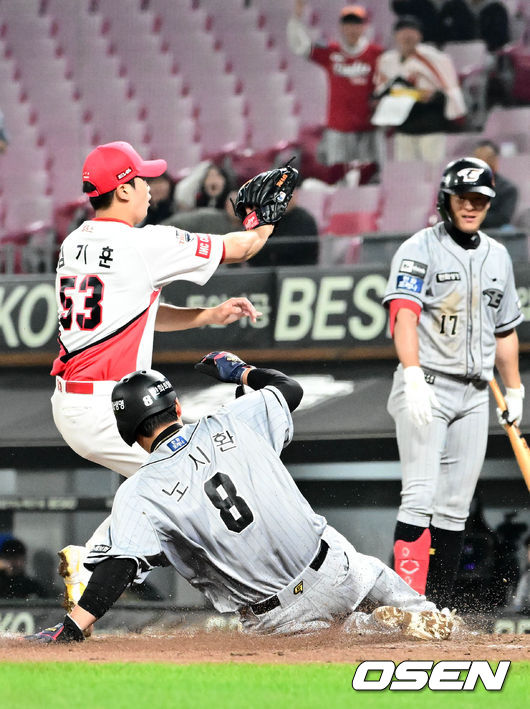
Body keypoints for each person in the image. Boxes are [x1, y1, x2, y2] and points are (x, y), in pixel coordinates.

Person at [26, 356, 459, 643]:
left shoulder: (139, 490)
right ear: (176, 409)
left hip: (282, 617)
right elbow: (289, 389)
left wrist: (72, 627)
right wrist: (238, 371)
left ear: (131, 436)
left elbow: (118, 569)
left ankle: (373, 629)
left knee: (345, 643)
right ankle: (416, 615)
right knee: (442, 631)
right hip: (341, 565)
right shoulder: (230, 419)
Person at [51, 140, 277, 611]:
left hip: (80, 402)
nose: (152, 188)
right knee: (193, 483)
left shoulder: (75, 242)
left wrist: (205, 316)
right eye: (144, 180)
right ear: (125, 188)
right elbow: (244, 246)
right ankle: (93, 562)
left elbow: (135, 309)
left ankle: (90, 561)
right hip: (108, 405)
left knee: (167, 484)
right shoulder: (144, 243)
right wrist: (266, 217)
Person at [382, 156, 524, 610]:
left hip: (476, 391)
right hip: (427, 382)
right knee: (419, 496)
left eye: (480, 199)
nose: (471, 206)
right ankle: (409, 607)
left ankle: (437, 609)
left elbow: (505, 331)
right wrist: (412, 373)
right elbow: (403, 316)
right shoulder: (418, 248)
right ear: (446, 199)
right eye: (464, 198)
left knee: (455, 507)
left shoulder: (498, 256)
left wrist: (515, 387)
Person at [287, 2, 382, 170]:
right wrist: (297, 16)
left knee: (368, 177)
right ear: (341, 27)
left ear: (365, 27)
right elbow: (299, 46)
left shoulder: (377, 54)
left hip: (369, 130)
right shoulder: (331, 51)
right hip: (338, 129)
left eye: (357, 24)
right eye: (348, 24)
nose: (352, 29)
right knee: (339, 178)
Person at [374, 16, 467, 162]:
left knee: (433, 174)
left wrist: (434, 96)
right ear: (395, 36)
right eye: (402, 32)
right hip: (404, 129)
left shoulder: (436, 59)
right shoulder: (386, 61)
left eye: (411, 32)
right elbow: (380, 92)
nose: (407, 37)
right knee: (406, 175)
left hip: (430, 128)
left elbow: (452, 93)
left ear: (420, 35)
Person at [473, 140, 518, 230]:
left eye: (486, 158)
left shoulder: (508, 189)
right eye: (478, 158)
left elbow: (502, 218)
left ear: (495, 160)